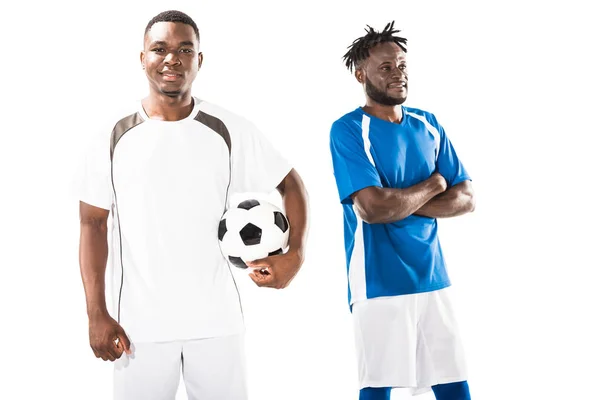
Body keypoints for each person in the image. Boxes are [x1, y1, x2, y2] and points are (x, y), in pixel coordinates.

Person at [75, 10, 308, 400]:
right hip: (138, 329)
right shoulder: (113, 135)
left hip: (217, 323)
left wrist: (296, 252)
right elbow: (91, 225)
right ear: (142, 58)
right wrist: (96, 314)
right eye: (160, 49)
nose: (172, 59)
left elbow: (291, 183)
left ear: (199, 60)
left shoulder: (228, 127)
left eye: (185, 49)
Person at [329, 22, 475, 400]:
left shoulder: (429, 123)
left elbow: (467, 199)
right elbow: (373, 209)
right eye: (385, 68)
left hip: (433, 276)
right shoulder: (348, 130)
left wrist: (403, 202)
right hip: (378, 280)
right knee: (377, 387)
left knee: (454, 382)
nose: (398, 74)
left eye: (402, 65)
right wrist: (433, 184)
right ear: (361, 75)